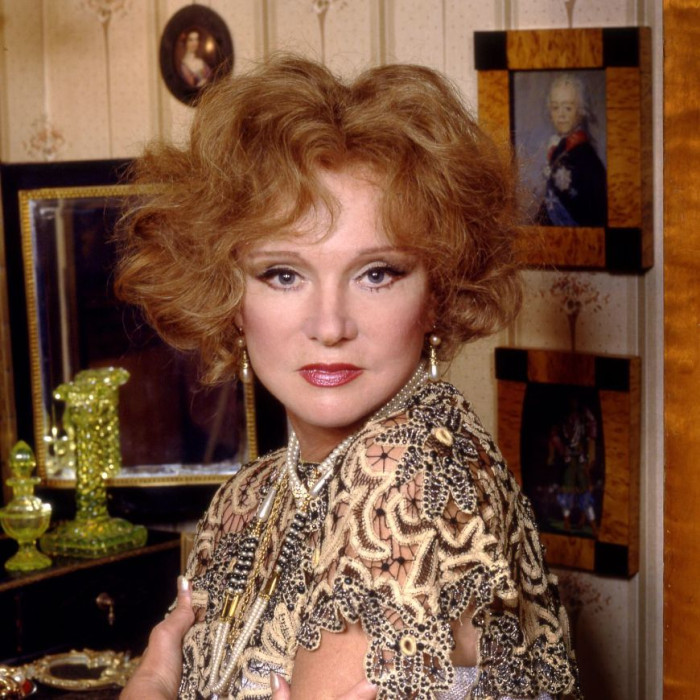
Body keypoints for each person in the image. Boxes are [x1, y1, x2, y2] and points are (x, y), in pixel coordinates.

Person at [117, 55, 581, 699]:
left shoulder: (407, 475)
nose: (330, 325)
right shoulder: (245, 501)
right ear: (230, 298)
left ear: (438, 293)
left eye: (377, 273)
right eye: (283, 274)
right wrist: (153, 679)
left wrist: (150, 687)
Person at [536, 73, 607, 227]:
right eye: (555, 108)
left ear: (581, 112)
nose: (561, 115)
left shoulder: (587, 159)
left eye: (568, 108)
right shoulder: (558, 149)